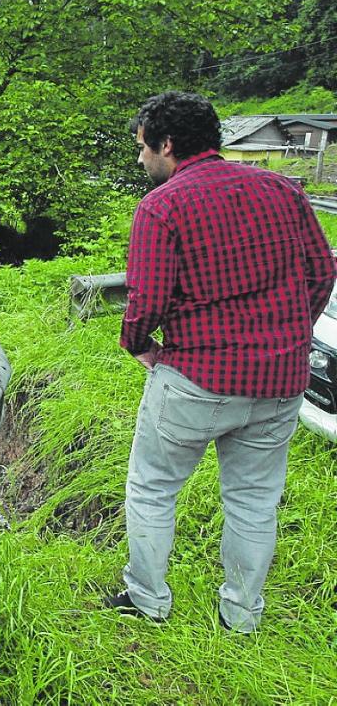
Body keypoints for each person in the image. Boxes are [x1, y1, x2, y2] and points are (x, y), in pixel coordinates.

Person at [104, 90, 336, 632]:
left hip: (196, 378)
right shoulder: (283, 189)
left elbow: (148, 298)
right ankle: (242, 616)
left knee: (153, 487)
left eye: (143, 148)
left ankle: (147, 600)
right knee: (255, 501)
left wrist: (139, 345)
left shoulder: (162, 206)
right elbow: (321, 273)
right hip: (280, 382)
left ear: (166, 144)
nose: (140, 159)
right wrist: (289, 334)